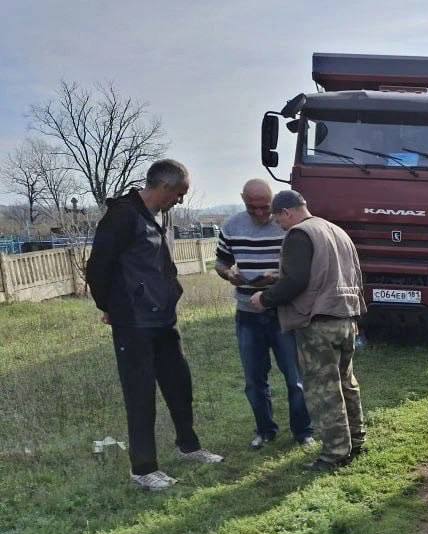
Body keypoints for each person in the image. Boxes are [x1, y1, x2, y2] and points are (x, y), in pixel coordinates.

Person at [85, 159, 223, 490]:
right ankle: (144, 469)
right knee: (140, 393)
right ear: (163, 186)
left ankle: (189, 446)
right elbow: (98, 267)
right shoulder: (122, 216)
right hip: (133, 321)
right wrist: (110, 307)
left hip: (163, 317)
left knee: (179, 384)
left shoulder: (162, 216)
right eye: (179, 193)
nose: (181, 200)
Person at [249, 190, 366, 472]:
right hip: (346, 317)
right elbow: (339, 274)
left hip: (318, 322)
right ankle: (356, 440)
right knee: (346, 383)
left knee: (324, 389)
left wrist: (264, 298)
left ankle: (335, 453)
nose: (280, 225)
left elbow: (297, 282)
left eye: (278, 219)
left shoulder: (299, 234)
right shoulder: (336, 231)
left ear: (286, 212)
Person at [215, 179, 314, 449]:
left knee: (295, 377)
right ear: (242, 199)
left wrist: (276, 278)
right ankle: (265, 430)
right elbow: (221, 262)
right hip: (247, 313)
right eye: (252, 208)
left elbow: (301, 268)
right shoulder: (231, 226)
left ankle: (303, 431)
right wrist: (228, 274)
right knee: (254, 379)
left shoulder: (287, 224)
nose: (260, 213)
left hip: (283, 311)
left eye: (265, 207)